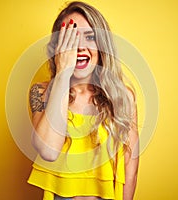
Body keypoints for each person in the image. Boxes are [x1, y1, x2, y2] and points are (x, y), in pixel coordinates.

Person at [27, 1, 139, 200]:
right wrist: (62, 74)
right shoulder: (41, 92)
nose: (79, 47)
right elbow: (48, 151)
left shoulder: (123, 96)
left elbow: (130, 167)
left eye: (90, 37)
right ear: (57, 46)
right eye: (70, 38)